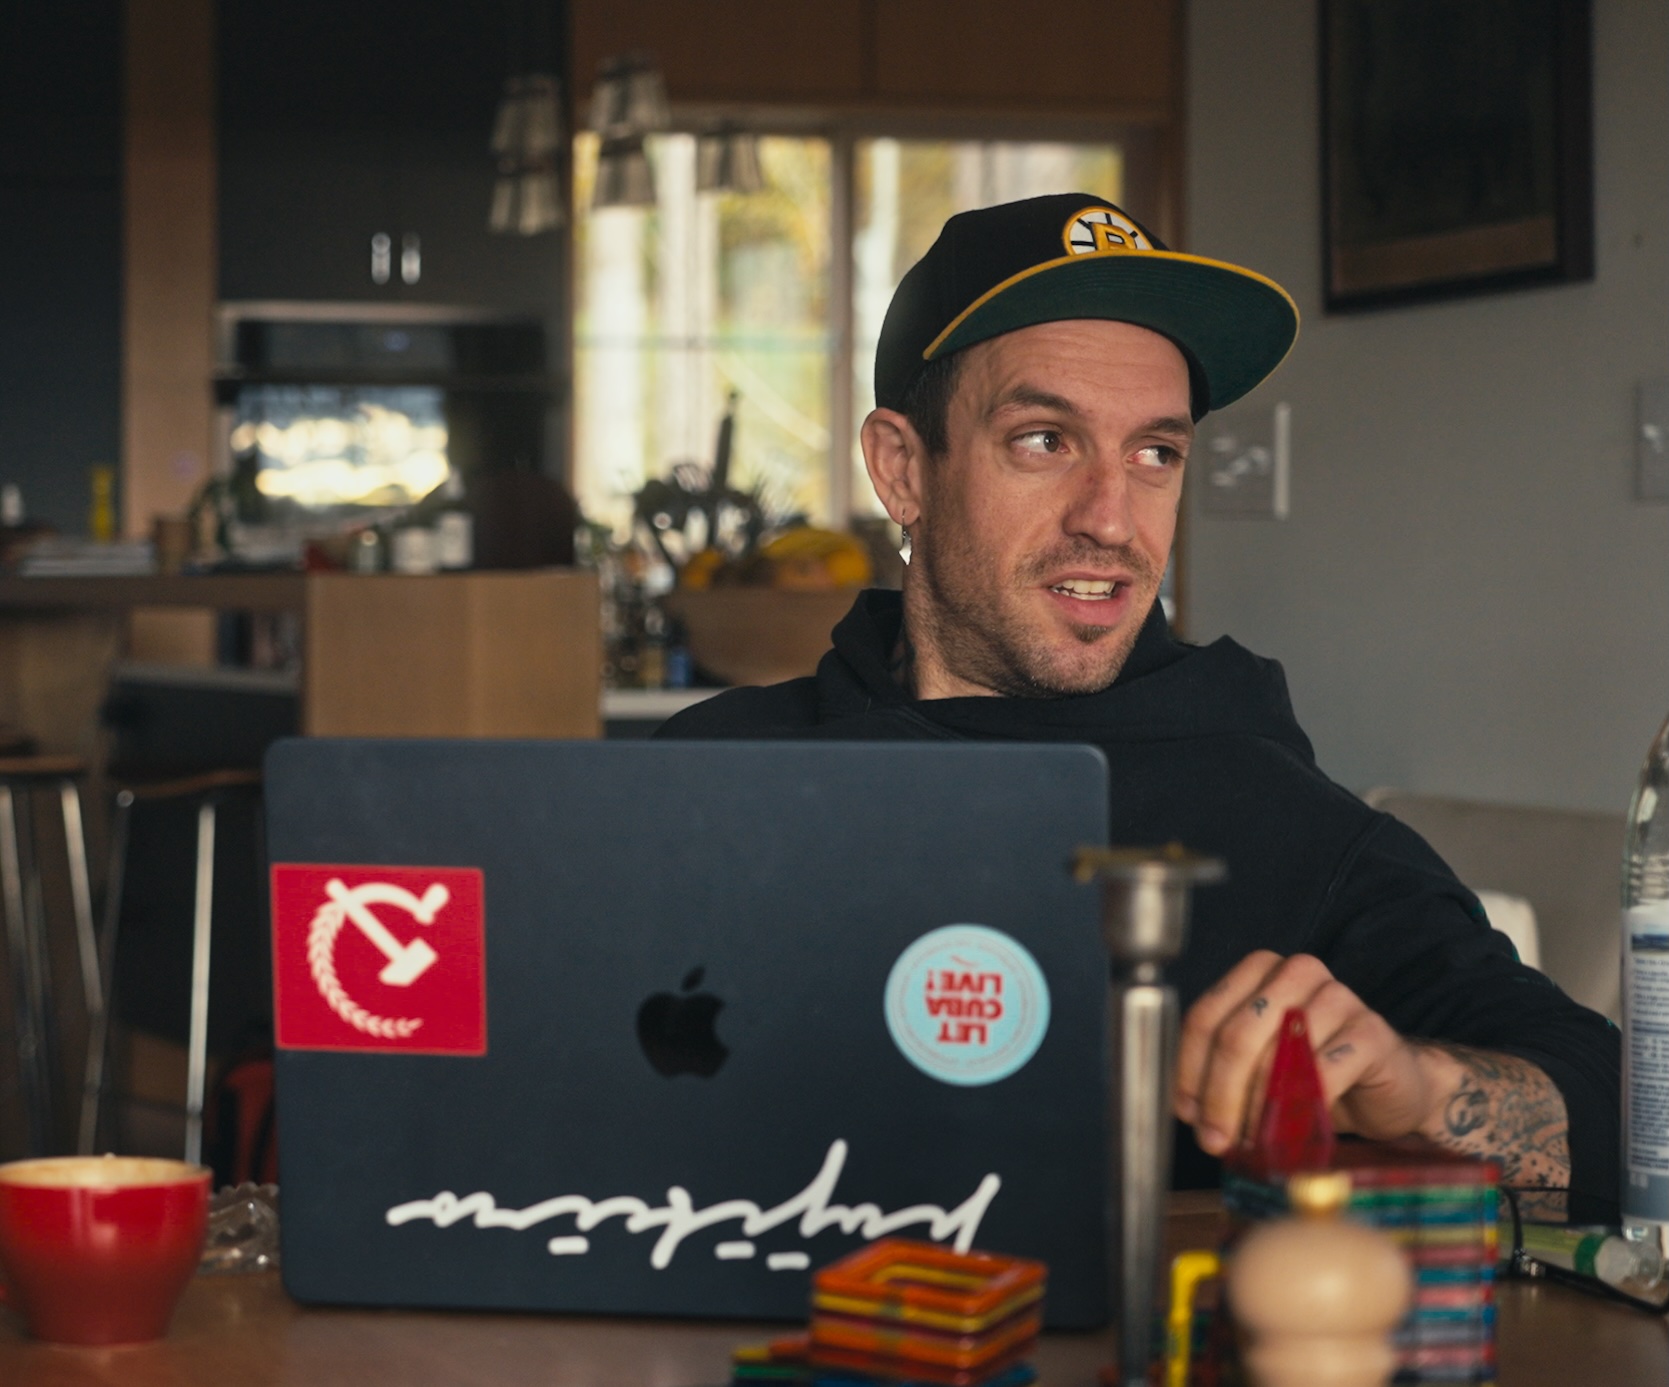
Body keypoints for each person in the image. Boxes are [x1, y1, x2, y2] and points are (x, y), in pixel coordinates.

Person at [658, 193, 1619, 1216]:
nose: (1111, 520)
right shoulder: (704, 774)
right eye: (1044, 440)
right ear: (903, 469)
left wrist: (1419, 1088)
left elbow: (1618, 1110)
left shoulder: (1277, 814)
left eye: (1155, 452)